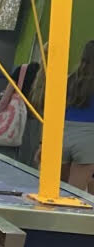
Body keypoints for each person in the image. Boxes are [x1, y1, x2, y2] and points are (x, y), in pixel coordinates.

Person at [62, 40, 94, 193]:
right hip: (89, 137)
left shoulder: (70, 79)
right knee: (74, 194)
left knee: (56, 191)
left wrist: (43, 143)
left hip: (63, 134)